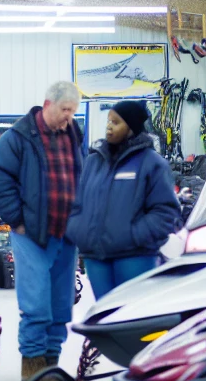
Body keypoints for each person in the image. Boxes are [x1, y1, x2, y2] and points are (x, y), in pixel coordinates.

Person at [0, 79, 83, 381]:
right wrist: (17, 220)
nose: (69, 116)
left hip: (66, 235)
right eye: (65, 110)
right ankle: (32, 366)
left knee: (60, 304)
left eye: (73, 111)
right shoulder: (18, 138)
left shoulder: (73, 134)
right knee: (36, 304)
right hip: (32, 235)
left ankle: (50, 366)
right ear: (47, 105)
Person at [66, 99, 182, 301]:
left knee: (132, 319)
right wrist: (80, 233)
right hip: (96, 257)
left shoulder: (152, 163)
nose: (109, 127)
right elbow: (76, 203)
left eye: (116, 122)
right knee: (104, 317)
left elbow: (165, 212)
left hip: (134, 257)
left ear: (131, 128)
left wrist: (134, 236)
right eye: (108, 121)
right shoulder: (93, 162)